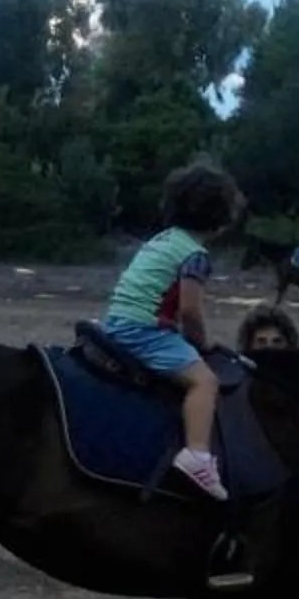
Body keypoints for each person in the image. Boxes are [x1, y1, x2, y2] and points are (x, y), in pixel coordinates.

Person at [97, 160, 245, 502]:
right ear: (221, 214)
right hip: (143, 330)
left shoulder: (162, 240)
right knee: (204, 381)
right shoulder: (195, 254)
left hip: (117, 320)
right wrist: (201, 344)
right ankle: (196, 456)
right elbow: (190, 310)